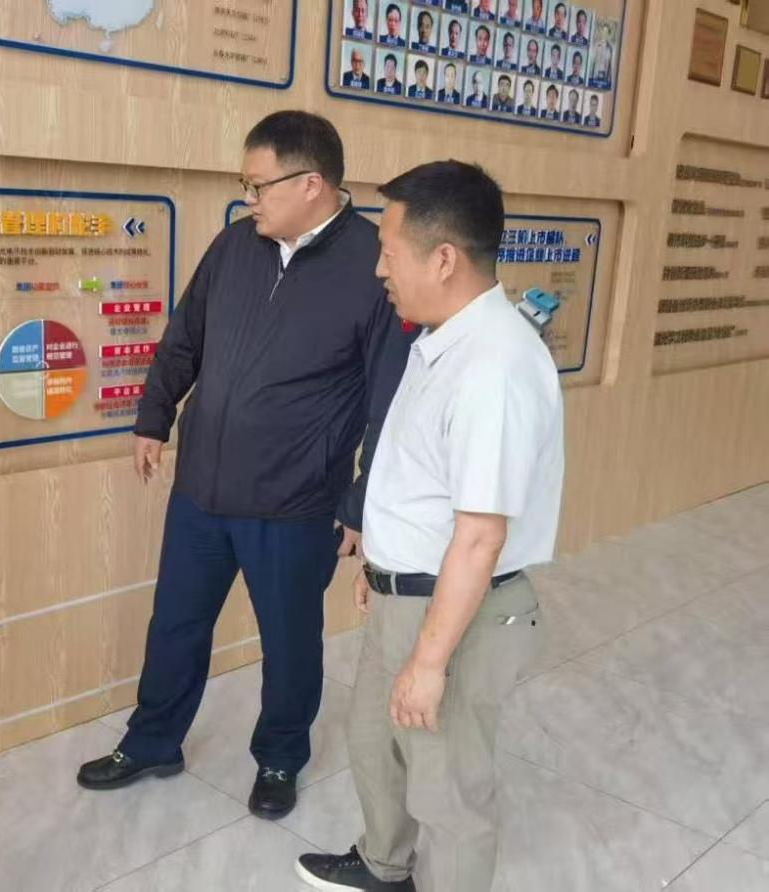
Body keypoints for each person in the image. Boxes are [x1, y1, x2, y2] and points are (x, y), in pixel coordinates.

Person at [76, 111, 414, 821]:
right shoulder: (235, 245)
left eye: (258, 185)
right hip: (202, 490)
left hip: (295, 503)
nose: (248, 199)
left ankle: (280, 757)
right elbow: (184, 337)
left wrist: (359, 504)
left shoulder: (372, 265)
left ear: (312, 184)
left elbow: (391, 400)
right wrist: (153, 416)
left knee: (289, 643)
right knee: (175, 625)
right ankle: (153, 741)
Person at [294, 159, 564, 892]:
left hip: (456, 610)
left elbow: (480, 535)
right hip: (406, 592)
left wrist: (430, 662)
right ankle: (385, 864)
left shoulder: (493, 367)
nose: (379, 269)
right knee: (374, 741)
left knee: (448, 790)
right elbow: (421, 478)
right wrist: (381, 565)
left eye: (389, 251)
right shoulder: (442, 340)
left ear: (443, 258)